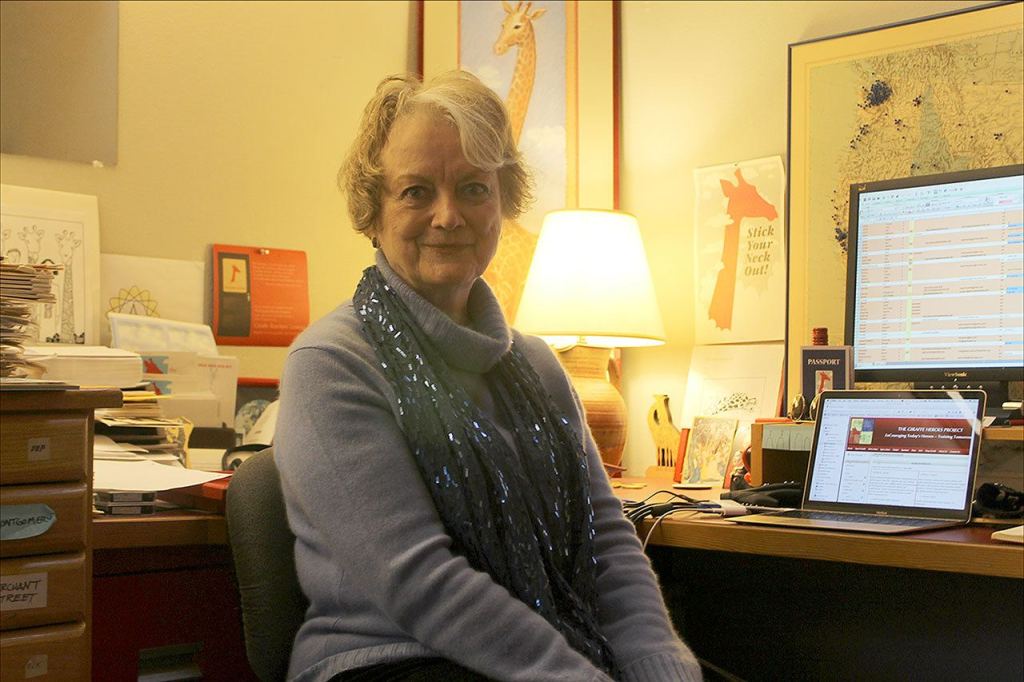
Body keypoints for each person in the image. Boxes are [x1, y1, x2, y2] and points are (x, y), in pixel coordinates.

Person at [274, 70, 702, 682]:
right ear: (373, 211)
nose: (448, 216)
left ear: (502, 203)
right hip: (389, 660)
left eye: (474, 188)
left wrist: (661, 667)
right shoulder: (332, 363)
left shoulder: (539, 366)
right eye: (416, 191)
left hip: (558, 654)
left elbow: (606, 542)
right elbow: (419, 580)